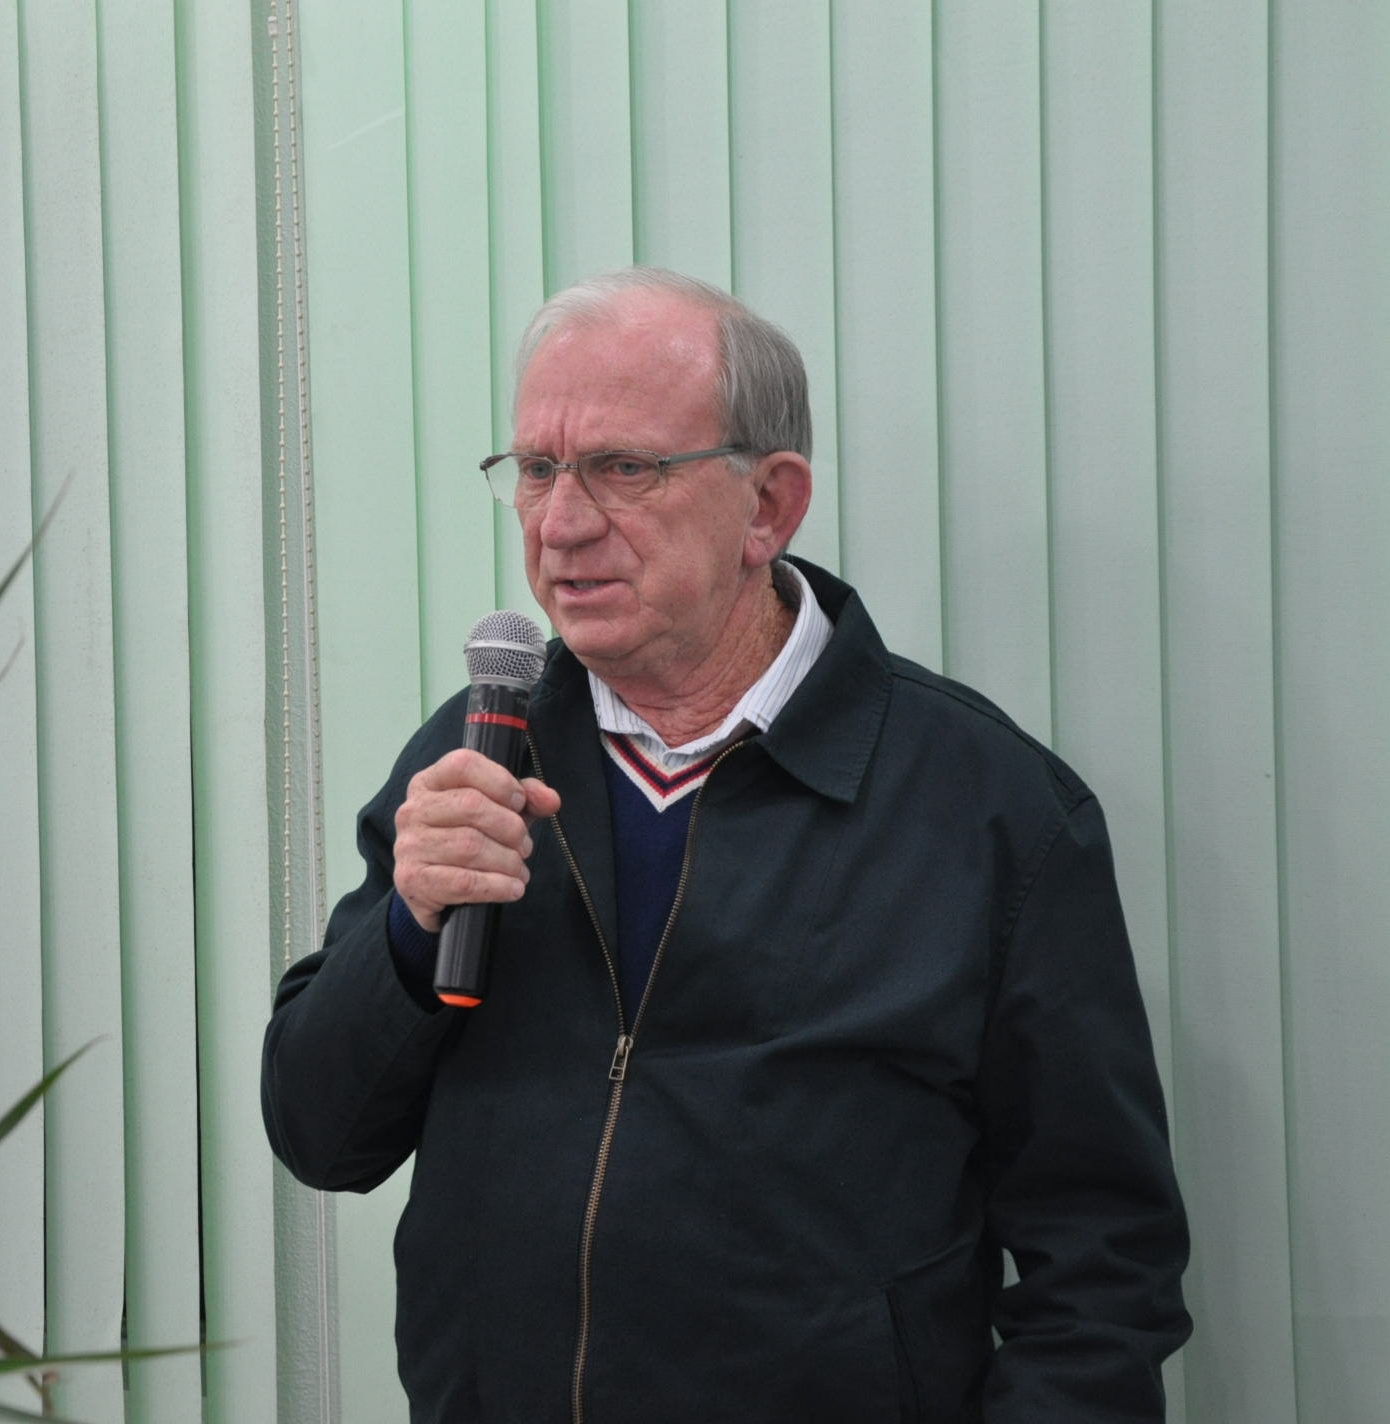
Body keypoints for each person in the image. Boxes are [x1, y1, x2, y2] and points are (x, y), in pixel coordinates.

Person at [262, 268, 1189, 1423]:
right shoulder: (480, 751)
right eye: (536, 468)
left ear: (767, 505)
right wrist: (407, 934)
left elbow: (1100, 1264)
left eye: (621, 468)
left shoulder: (985, 809)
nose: (559, 523)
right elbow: (318, 1133)